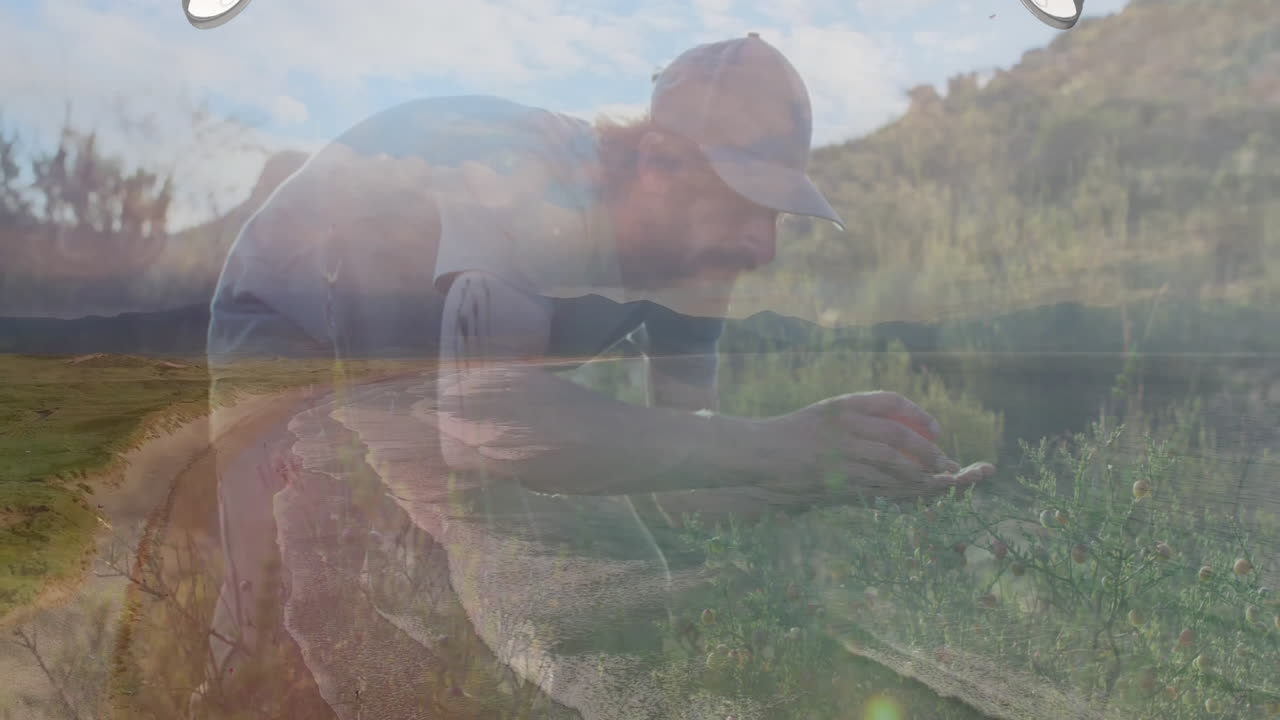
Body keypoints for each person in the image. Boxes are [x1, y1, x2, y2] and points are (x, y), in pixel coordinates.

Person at [199, 32, 995, 717]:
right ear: (658, 161)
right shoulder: (525, 182)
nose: (764, 247)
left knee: (549, 595)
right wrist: (777, 447)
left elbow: (689, 480)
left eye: (779, 213)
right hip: (295, 320)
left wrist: (842, 467)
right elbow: (487, 423)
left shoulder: (697, 254)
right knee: (281, 606)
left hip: (438, 362)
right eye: (748, 204)